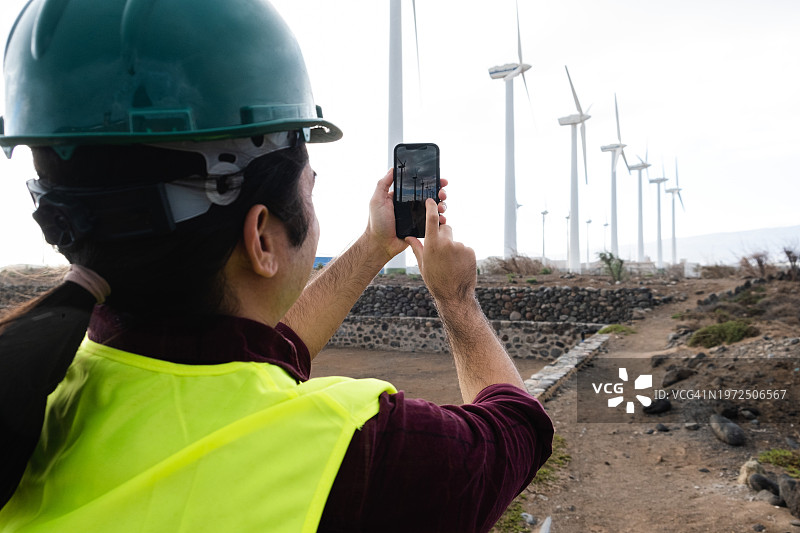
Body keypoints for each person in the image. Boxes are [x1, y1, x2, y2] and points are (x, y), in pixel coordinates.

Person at [0, 0, 554, 531]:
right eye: (310, 191)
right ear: (262, 236)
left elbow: (240, 359)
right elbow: (519, 430)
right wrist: (455, 298)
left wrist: (373, 244)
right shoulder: (347, 450)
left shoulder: (38, 389)